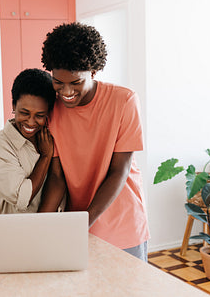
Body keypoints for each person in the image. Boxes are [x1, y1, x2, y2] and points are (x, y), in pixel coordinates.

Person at [38, 22, 150, 261]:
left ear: (93, 71)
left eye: (76, 82)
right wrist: (40, 225)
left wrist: (83, 222)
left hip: (122, 225)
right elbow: (57, 177)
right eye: (58, 82)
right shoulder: (52, 108)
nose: (66, 91)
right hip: (78, 225)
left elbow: (120, 171)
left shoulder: (124, 101)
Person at [0, 68, 56, 242]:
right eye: (24, 113)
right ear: (13, 106)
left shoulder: (51, 139)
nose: (30, 122)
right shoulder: (1, 144)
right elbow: (22, 197)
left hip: (39, 239)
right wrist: (45, 157)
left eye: (40, 115)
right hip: (2, 241)